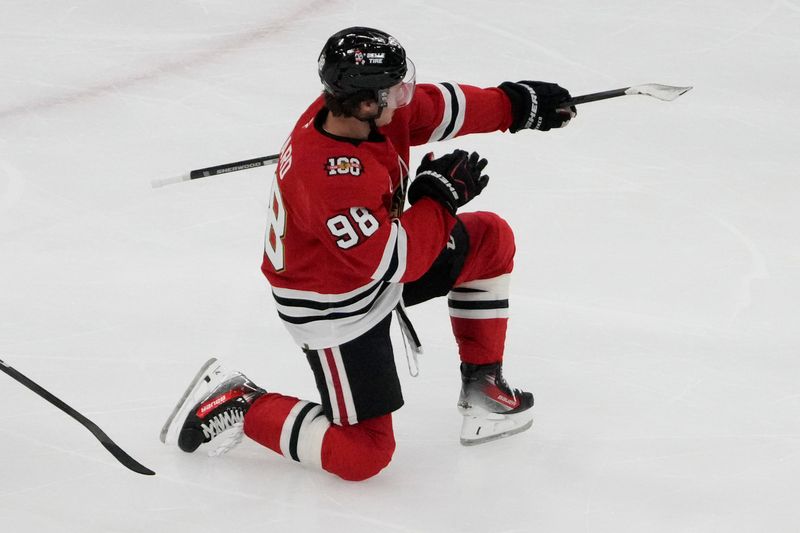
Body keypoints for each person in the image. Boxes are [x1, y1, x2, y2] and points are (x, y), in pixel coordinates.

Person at [160, 27, 576, 481]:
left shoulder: (361, 112)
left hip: (371, 267)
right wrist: (438, 198)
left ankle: (483, 387)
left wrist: (513, 106)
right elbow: (398, 263)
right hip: (335, 307)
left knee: (490, 240)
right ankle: (240, 403)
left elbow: (434, 109)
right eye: (394, 89)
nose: (404, 95)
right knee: (363, 455)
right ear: (363, 102)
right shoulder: (333, 179)